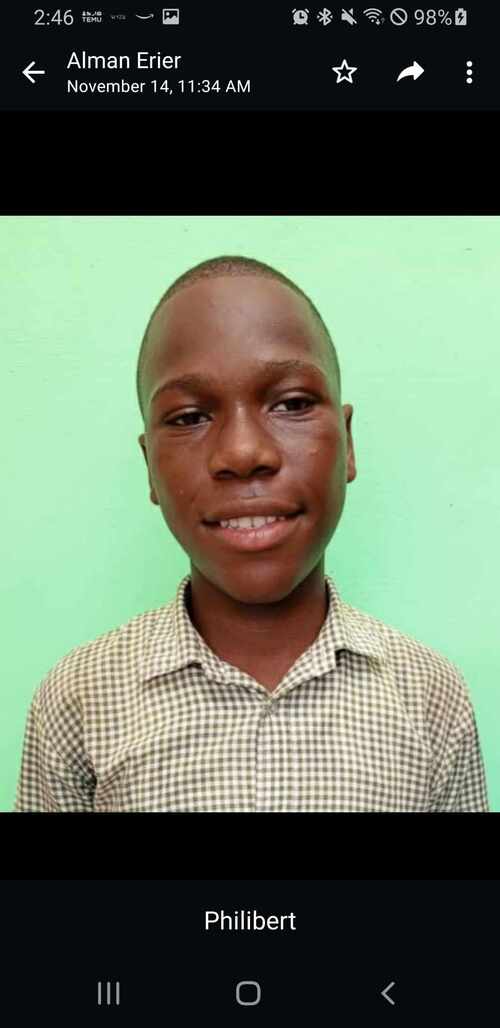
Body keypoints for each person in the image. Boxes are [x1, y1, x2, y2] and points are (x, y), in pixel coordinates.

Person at [14, 255, 489, 811]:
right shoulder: (78, 700)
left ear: (348, 443)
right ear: (149, 468)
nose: (243, 453)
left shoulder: (431, 697)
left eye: (292, 404)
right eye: (190, 417)